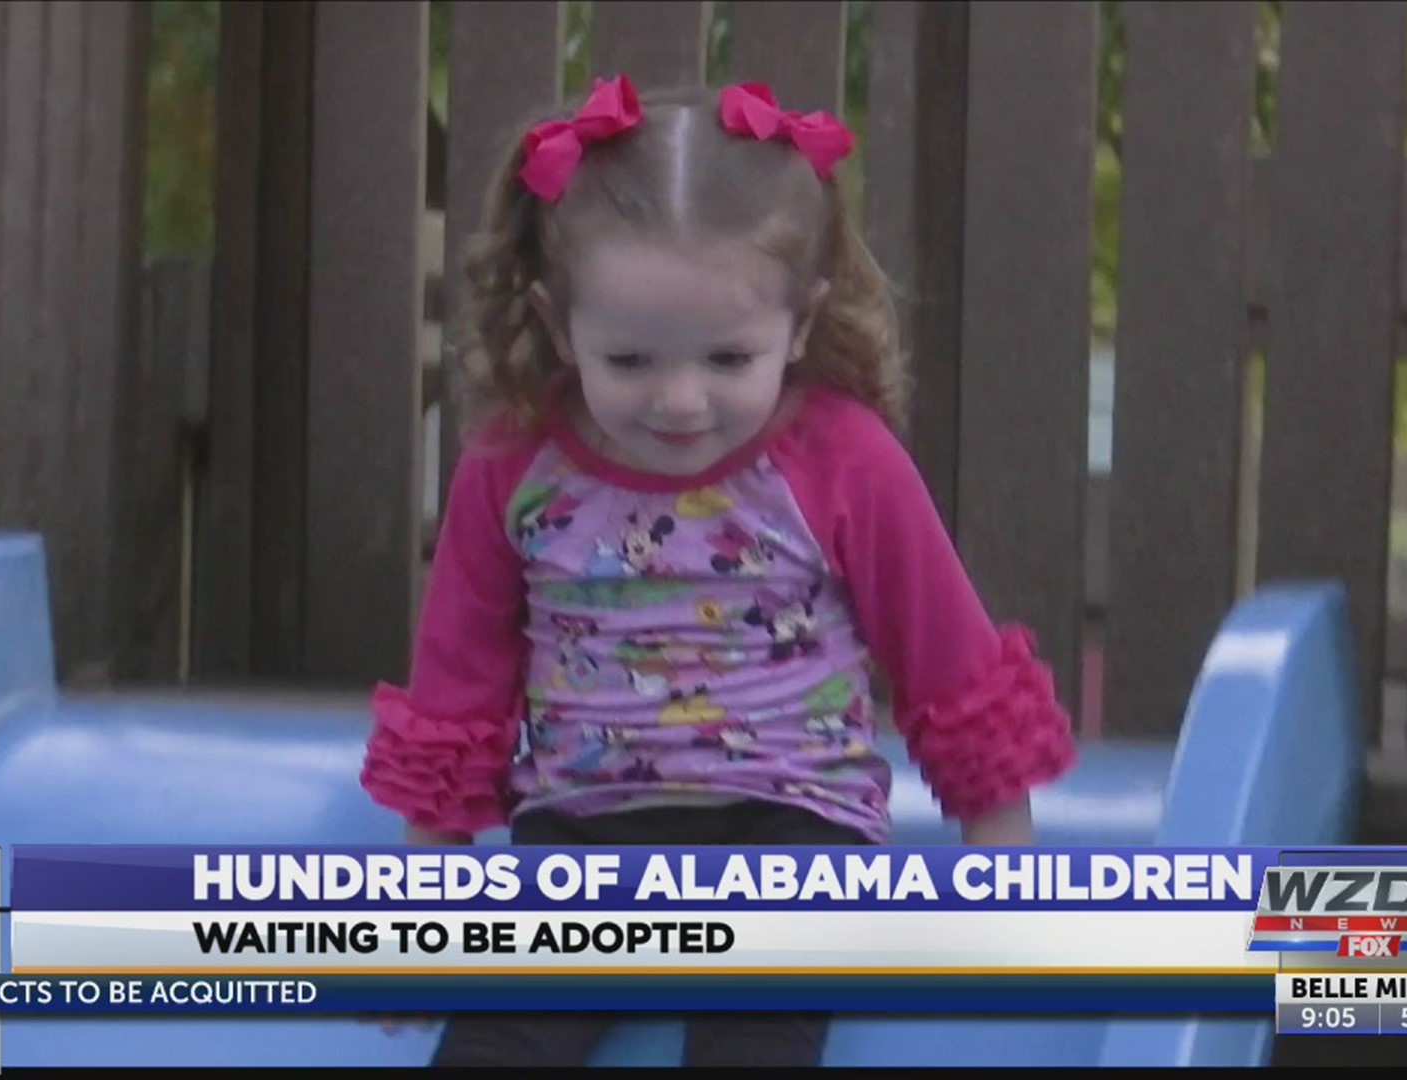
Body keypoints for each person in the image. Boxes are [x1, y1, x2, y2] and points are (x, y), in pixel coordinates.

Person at [360, 73, 1078, 1068]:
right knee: (496, 1046)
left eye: (728, 359)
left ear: (801, 323)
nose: (682, 401)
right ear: (559, 325)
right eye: (631, 361)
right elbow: (457, 690)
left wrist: (1005, 887)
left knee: (755, 1043)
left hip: (794, 827)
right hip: (584, 833)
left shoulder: (842, 459)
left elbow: (951, 668)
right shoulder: (516, 466)